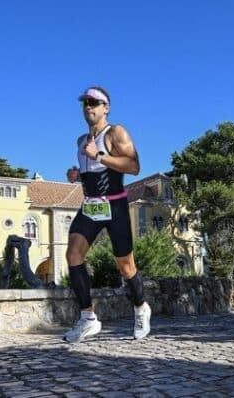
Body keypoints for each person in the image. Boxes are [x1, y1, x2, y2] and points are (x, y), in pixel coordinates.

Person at [63, 86, 151, 343]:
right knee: (73, 255)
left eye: (94, 102)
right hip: (91, 205)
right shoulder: (81, 141)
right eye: (85, 103)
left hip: (115, 206)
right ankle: (88, 318)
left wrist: (100, 155)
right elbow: (93, 172)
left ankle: (140, 307)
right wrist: (78, 175)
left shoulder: (116, 133)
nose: (88, 106)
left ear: (106, 107)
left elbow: (133, 166)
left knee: (125, 266)